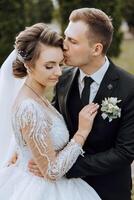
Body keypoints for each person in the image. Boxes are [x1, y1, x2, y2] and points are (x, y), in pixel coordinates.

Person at [28, 8, 134, 200]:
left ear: (96, 49)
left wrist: (65, 167)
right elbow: (51, 124)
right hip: (65, 191)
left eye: (73, 41)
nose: (64, 46)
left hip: (108, 191)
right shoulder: (63, 78)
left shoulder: (129, 88)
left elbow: (125, 152)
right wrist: (28, 151)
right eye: (65, 37)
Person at [0, 23, 101, 200]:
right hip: (43, 190)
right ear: (29, 65)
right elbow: (52, 171)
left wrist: (22, 150)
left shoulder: (37, 97)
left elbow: (28, 138)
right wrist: (82, 132)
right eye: (49, 66)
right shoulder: (29, 107)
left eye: (59, 64)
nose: (59, 72)